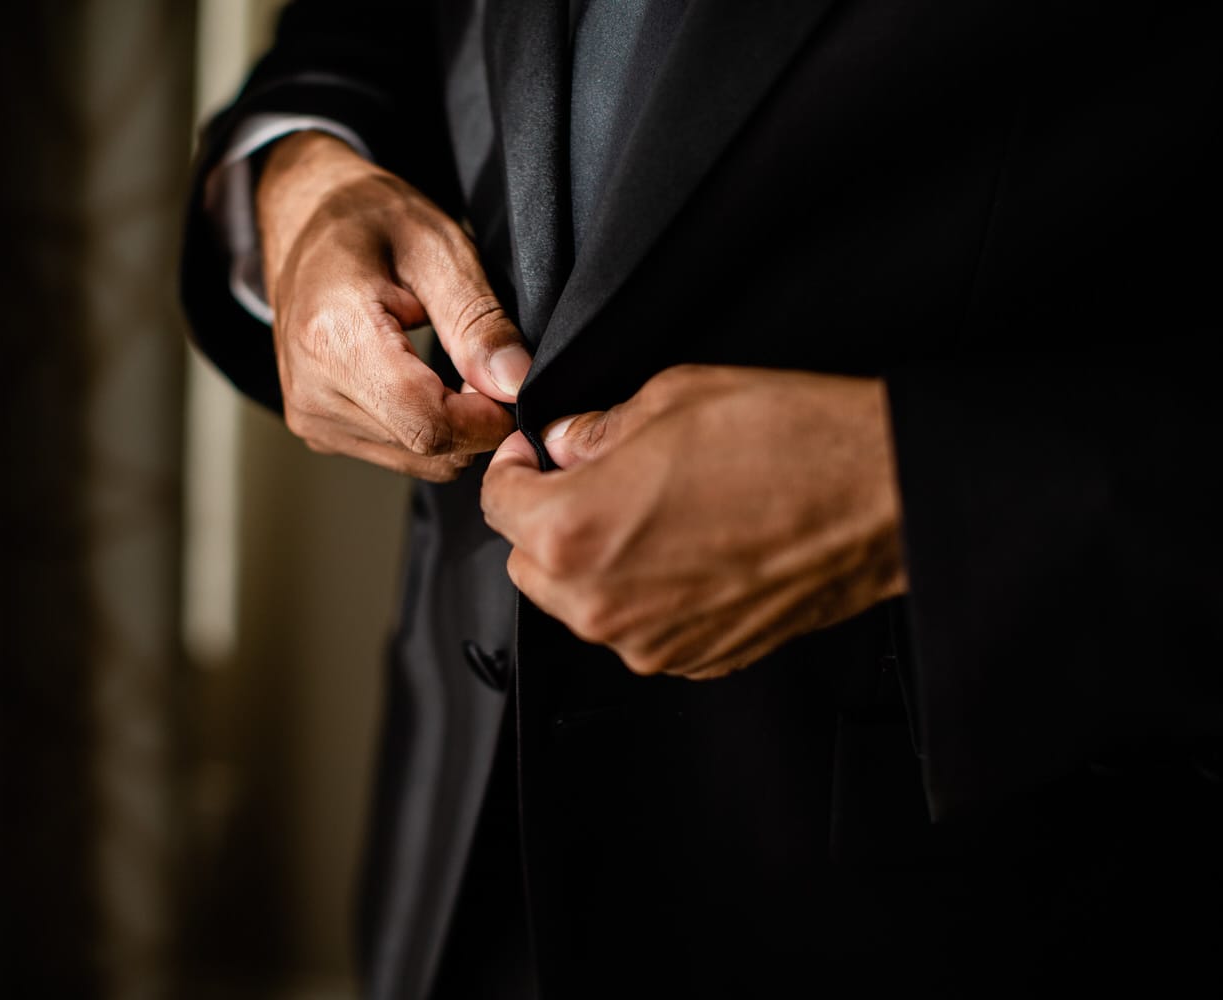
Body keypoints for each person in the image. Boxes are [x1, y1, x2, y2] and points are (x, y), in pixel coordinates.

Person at [181, 1, 1223, 996]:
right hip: (459, 858)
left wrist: (906, 495)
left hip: (992, 896)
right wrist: (300, 175)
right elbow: (377, 25)